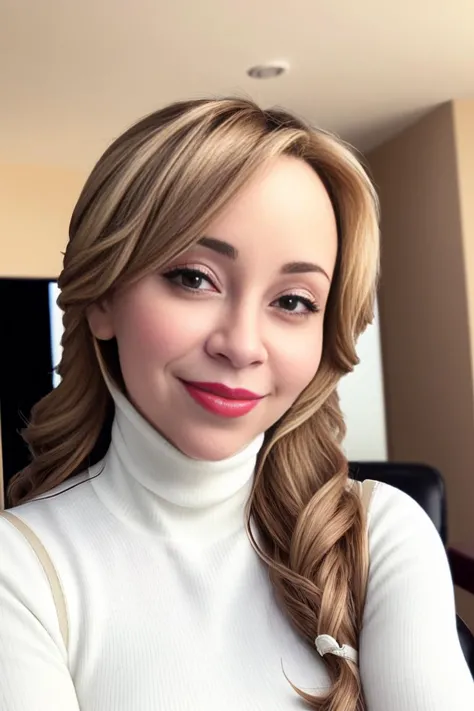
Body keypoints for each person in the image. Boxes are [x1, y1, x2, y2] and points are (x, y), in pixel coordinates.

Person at [0, 98, 472, 711]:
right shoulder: (20, 570)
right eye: (193, 277)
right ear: (103, 298)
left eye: (295, 301)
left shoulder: (381, 536)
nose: (243, 346)